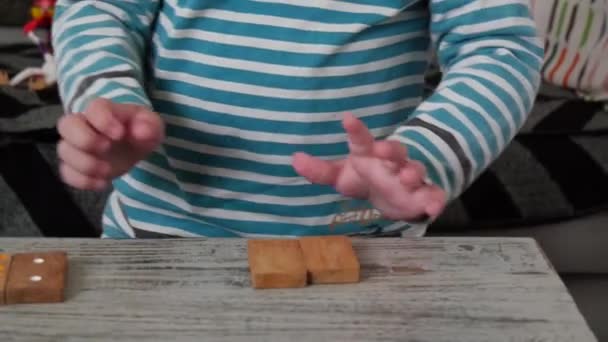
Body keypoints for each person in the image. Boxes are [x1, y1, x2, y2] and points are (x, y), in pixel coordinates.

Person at [52, 0, 543, 238]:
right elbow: (99, 11)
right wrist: (107, 102)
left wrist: (422, 157)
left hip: (361, 246)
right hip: (162, 227)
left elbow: (498, 47)